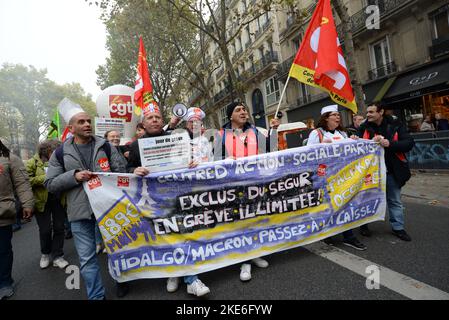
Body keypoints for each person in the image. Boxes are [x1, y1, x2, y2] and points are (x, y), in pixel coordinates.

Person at [44, 101, 128, 300]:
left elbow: (121, 172)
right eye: (81, 122)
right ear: (70, 129)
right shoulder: (60, 153)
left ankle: (122, 281)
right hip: (80, 213)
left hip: (109, 209)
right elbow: (50, 184)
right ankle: (97, 296)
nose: (87, 124)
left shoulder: (105, 145)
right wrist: (74, 176)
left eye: (88, 121)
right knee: (87, 260)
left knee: (118, 251)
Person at [127, 105, 211, 297]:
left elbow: (190, 155)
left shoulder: (177, 136)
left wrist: (192, 161)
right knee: (164, 237)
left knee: (182, 234)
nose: (155, 120)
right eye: (151, 118)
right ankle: (173, 272)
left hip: (177, 194)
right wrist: (133, 171)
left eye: (158, 117)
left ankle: (191, 279)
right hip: (153, 199)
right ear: (143, 124)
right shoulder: (135, 146)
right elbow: (127, 167)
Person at [214, 101, 280, 282]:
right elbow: (215, 160)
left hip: (255, 184)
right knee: (241, 222)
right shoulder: (221, 134)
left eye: (244, 109)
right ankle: (244, 261)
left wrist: (273, 131)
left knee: (255, 220)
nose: (243, 112)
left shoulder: (255, 131)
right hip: (234, 186)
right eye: (238, 110)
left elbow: (270, 149)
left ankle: (254, 253)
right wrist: (226, 160)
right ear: (230, 116)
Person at [307, 105, 367, 251]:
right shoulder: (316, 133)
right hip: (324, 176)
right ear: (326, 117)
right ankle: (327, 233)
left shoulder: (343, 133)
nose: (338, 117)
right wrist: (320, 145)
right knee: (327, 206)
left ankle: (349, 236)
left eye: (338, 114)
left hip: (342, 175)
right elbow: (307, 153)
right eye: (334, 115)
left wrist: (354, 141)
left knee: (344, 203)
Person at [358, 103, 414, 241]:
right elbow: (357, 148)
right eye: (367, 112)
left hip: (391, 171)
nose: (368, 115)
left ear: (381, 112)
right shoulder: (363, 128)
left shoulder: (396, 125)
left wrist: (390, 144)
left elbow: (409, 143)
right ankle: (363, 225)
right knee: (366, 200)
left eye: (371, 112)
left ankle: (398, 228)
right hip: (370, 174)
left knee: (394, 200)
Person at [26, 140, 69, 269]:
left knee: (59, 228)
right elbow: (26, 180)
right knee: (45, 230)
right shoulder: (32, 163)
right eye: (53, 152)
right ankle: (45, 253)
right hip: (41, 201)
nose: (57, 154)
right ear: (46, 151)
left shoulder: (61, 162)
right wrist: (45, 178)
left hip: (58, 199)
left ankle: (57, 256)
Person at [0, 139, 34, 299]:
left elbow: (22, 183)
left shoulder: (9, 158)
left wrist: (27, 204)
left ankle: (5, 282)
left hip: (2, 213)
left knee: (3, 250)